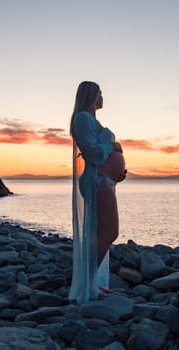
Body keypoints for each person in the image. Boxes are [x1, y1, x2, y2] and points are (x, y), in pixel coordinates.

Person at [68, 81, 126, 303]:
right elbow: (92, 152)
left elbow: (102, 157)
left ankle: (92, 283)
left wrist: (117, 172)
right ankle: (87, 285)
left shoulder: (93, 120)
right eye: (100, 94)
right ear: (91, 95)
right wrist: (113, 147)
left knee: (99, 233)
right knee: (109, 232)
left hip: (105, 180)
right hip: (96, 181)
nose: (102, 97)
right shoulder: (82, 118)